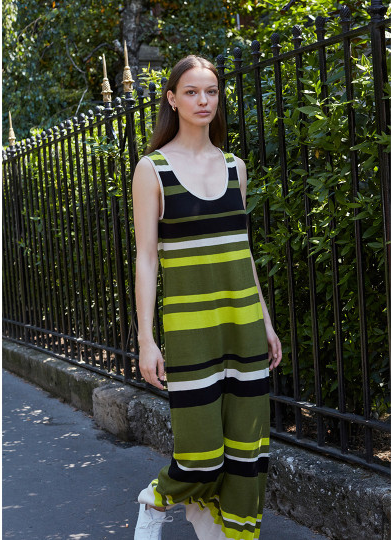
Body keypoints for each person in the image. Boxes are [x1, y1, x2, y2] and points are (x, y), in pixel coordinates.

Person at [132, 54, 282, 540]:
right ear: (172, 99)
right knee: (200, 451)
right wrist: (146, 340)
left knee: (247, 445)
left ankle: (229, 531)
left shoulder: (234, 167)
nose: (203, 101)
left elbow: (242, 251)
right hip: (189, 329)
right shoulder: (152, 169)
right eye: (192, 92)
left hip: (242, 320)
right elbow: (147, 259)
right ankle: (157, 499)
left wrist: (265, 320)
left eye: (211, 92)